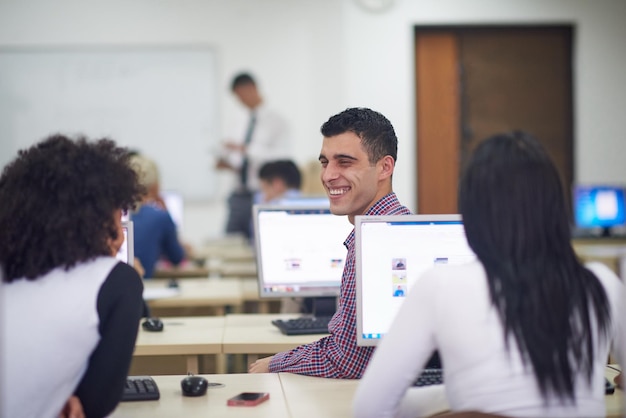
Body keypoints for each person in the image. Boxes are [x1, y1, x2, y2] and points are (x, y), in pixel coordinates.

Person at [352, 131, 624, 418]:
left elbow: (370, 409)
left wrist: (456, 397)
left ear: (472, 213)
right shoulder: (602, 285)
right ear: (556, 208)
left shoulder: (441, 286)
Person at [249, 107, 412, 377]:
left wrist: (275, 363)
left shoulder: (374, 240)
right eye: (325, 162)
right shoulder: (396, 223)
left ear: (385, 167)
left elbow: (345, 360)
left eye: (344, 162)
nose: (327, 176)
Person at [0, 134, 145, 418]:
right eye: (119, 211)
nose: (120, 230)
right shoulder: (116, 282)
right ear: (98, 217)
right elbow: (92, 406)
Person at [216, 72, 291, 237]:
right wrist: (227, 161)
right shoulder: (239, 120)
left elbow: (281, 158)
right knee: (230, 243)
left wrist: (247, 150)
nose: (240, 101)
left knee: (259, 240)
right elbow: (237, 156)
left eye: (241, 96)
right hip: (237, 194)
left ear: (251, 89)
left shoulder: (276, 121)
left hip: (261, 193)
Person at [129, 153, 188, 279]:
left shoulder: (117, 214)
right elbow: (177, 258)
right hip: (143, 287)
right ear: (155, 186)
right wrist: (167, 214)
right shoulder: (160, 217)